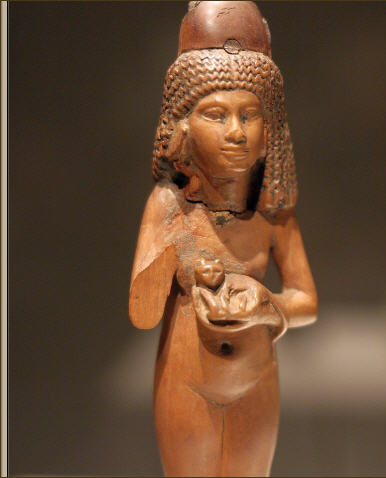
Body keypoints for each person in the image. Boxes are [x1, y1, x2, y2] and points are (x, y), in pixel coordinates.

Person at [129, 2, 317, 476]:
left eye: (249, 115)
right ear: (182, 126)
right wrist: (178, 240)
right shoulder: (168, 205)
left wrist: (266, 304)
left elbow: (307, 303)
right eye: (215, 115)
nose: (236, 132)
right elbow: (143, 313)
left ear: (269, 130)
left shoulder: (273, 213)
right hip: (186, 381)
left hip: (258, 379)